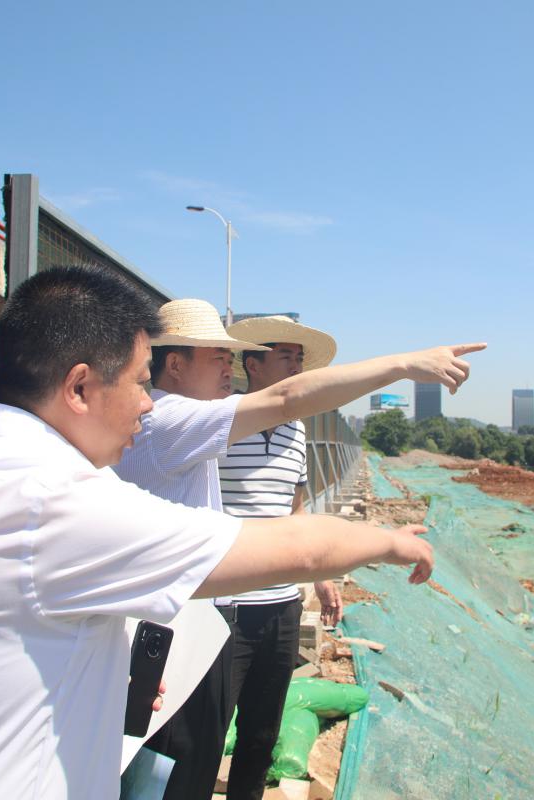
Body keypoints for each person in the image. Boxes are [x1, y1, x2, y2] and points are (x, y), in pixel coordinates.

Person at [0, 266, 437, 800]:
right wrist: (390, 542)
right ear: (79, 388)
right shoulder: (50, 499)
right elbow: (295, 546)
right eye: (137, 383)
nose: (148, 405)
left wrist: (103, 673)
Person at [114, 297, 483, 800]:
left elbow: (296, 510)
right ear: (175, 364)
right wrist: (403, 364)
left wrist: (323, 575)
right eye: (218, 356)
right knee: (177, 763)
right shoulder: (174, 420)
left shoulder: (198, 425)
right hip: (202, 617)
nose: (227, 366)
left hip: (218, 614)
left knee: (224, 748)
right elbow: (288, 401)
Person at [218, 315, 340, 799]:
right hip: (224, 607)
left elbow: (297, 511)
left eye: (299, 359)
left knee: (262, 733)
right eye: (286, 356)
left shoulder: (297, 432)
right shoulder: (220, 422)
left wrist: (322, 575)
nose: (296, 367)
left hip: (282, 608)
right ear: (253, 364)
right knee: (206, 729)